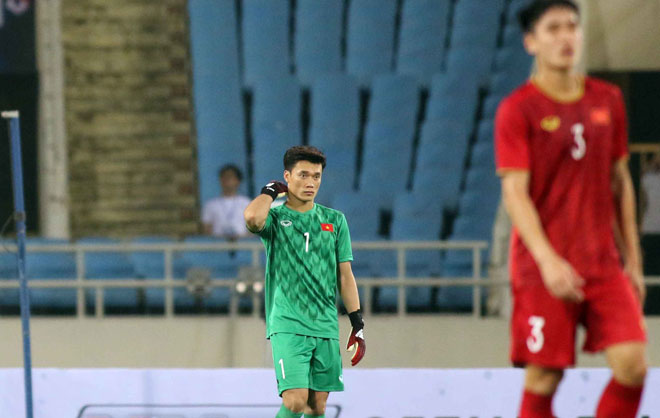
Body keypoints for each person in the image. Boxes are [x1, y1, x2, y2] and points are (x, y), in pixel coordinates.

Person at [495, 1, 647, 417]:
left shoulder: (608, 99)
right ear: (531, 42)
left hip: (603, 264)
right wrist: (547, 261)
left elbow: (620, 183)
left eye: (572, 27)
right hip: (541, 266)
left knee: (633, 366)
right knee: (545, 377)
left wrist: (632, 260)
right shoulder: (518, 108)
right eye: (553, 28)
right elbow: (515, 193)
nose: (566, 37)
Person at [243, 145, 365, 418]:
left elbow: (345, 275)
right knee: (296, 402)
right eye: (303, 175)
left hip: (325, 324)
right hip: (288, 322)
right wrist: (269, 193)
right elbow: (252, 218)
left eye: (316, 176)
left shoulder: (335, 220)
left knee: (317, 407)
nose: (311, 183)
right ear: (287, 176)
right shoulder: (275, 218)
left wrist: (357, 322)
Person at [202, 164, 251, 239]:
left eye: (230, 177)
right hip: (218, 245)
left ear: (238, 181)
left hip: (242, 244)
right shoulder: (210, 204)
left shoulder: (246, 203)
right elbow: (207, 229)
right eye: (224, 177)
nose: (226, 180)